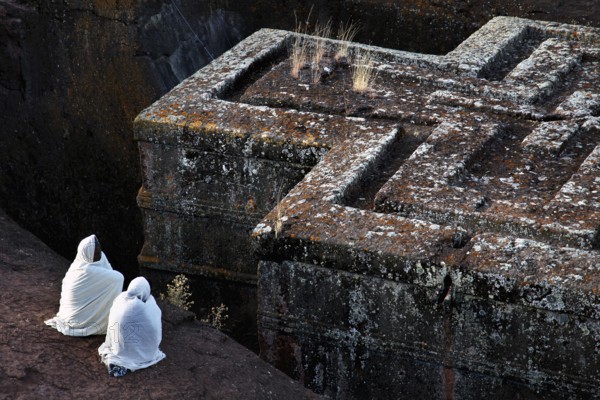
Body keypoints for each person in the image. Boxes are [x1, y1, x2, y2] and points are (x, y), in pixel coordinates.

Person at [45, 234, 124, 336]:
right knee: (118, 279)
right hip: (76, 318)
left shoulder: (87, 261)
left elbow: (105, 274)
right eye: (95, 253)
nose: (98, 254)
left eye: (99, 250)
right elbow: (117, 278)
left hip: (72, 314)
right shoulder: (85, 270)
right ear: (87, 254)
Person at [98, 277, 165, 377]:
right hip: (144, 354)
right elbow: (154, 331)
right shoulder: (147, 307)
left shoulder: (120, 299)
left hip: (117, 348)